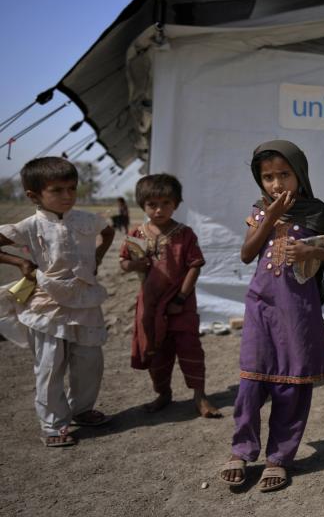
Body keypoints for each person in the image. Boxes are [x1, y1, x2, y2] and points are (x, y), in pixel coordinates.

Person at [219, 140, 324, 492]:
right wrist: (271, 218)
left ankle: (279, 458)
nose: (276, 184)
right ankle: (242, 450)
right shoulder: (260, 210)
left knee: (292, 382)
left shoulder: (315, 210)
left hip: (299, 309)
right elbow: (247, 253)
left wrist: (310, 249)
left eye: (284, 175)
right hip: (261, 305)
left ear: (299, 174)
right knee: (250, 381)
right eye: (268, 177)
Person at [0, 157, 114, 447]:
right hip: (46, 303)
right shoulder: (29, 226)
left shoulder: (87, 219)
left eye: (72, 189)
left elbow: (108, 230)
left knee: (89, 360)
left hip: (86, 300)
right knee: (50, 364)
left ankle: (83, 410)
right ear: (34, 195)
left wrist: (98, 258)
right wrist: (20, 263)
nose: (67, 196)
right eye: (57, 190)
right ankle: (53, 425)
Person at [119, 174, 220, 418]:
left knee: (190, 348)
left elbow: (195, 266)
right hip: (151, 305)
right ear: (143, 205)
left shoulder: (185, 234)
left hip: (180, 304)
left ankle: (200, 395)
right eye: (152, 204)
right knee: (155, 350)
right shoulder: (138, 234)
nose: (159, 209)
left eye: (166, 203)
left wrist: (180, 299)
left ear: (176, 203)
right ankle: (163, 393)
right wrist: (134, 265)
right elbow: (124, 262)